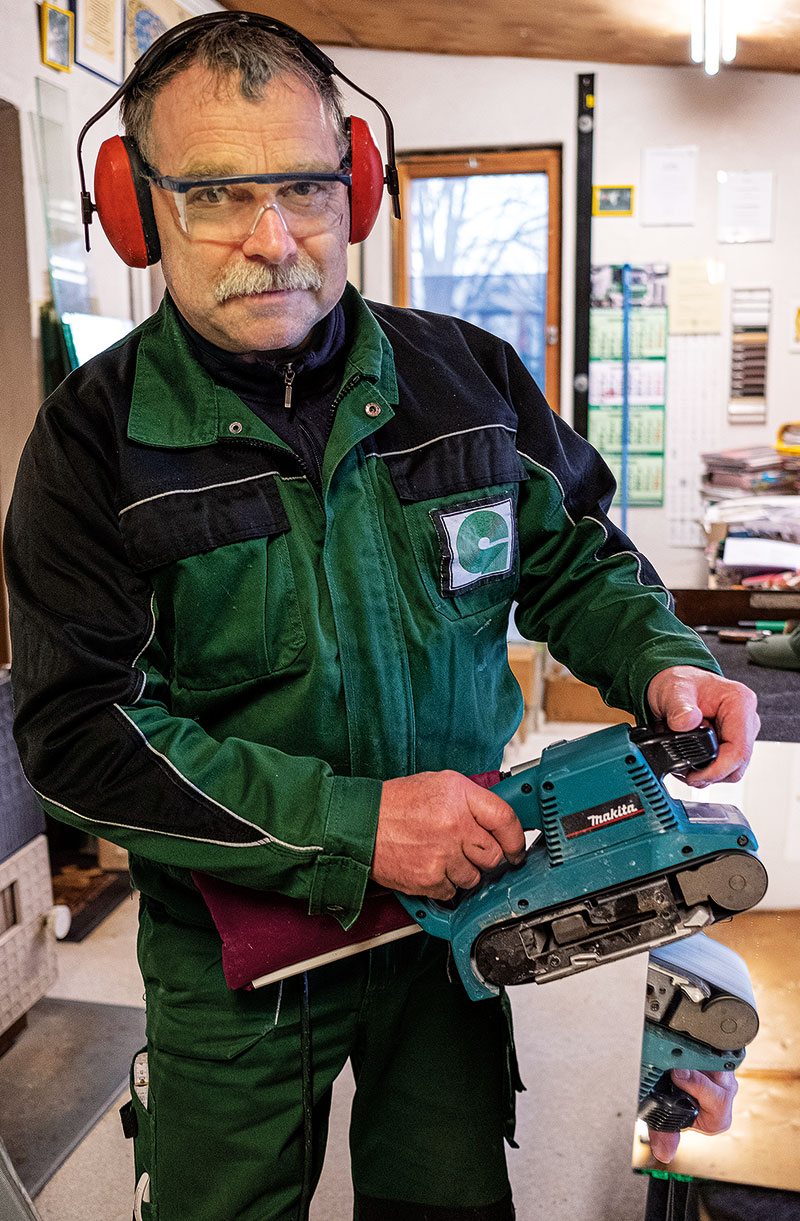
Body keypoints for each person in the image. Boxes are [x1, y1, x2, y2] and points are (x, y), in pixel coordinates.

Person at [4, 13, 759, 1220]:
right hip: (234, 947)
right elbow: (81, 742)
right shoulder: (90, 448)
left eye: (306, 185)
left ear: (354, 183)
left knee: (447, 1197)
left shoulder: (466, 376)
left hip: (460, 914)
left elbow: (572, 559)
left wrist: (662, 660)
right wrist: (354, 826)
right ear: (135, 208)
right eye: (214, 195)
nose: (274, 238)